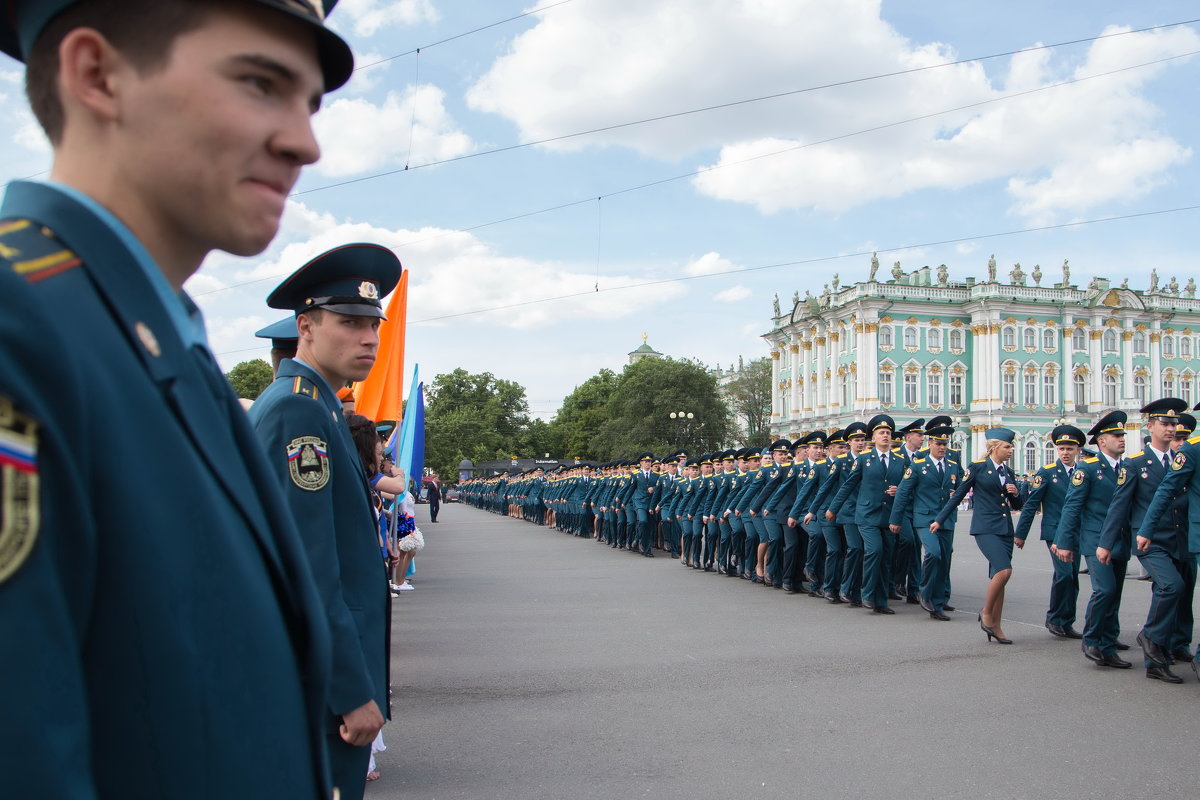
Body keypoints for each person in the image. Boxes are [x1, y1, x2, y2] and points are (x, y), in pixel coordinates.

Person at [0, 1, 354, 797]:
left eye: (310, 103)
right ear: (97, 75)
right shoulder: (23, 328)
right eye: (261, 82)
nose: (305, 141)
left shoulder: (146, 333)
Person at [250, 243, 402, 800]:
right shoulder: (300, 410)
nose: (368, 337)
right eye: (350, 322)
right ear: (306, 325)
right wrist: (349, 688)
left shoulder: (312, 403)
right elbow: (310, 568)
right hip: (317, 685)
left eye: (373, 324)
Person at [1121, 400, 1196, 682]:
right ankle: (1151, 640)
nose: (1170, 429)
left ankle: (1161, 648)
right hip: (1149, 540)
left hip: (1179, 538)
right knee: (1170, 586)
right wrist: (1105, 544)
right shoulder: (1136, 464)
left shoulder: (1182, 460)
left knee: (1177, 591)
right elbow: (1120, 506)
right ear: (1149, 426)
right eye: (1164, 424)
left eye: (1173, 424)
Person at [933, 429, 1024, 643]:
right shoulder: (978, 468)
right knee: (1004, 570)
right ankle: (986, 613)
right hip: (985, 528)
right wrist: (940, 519)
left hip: (1005, 529)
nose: (1010, 450)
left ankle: (996, 626)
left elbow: (1018, 505)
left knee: (999, 578)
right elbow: (959, 496)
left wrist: (1015, 493)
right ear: (994, 448)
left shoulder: (1008, 473)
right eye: (1007, 447)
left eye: (1011, 447)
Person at [1056, 411, 1130, 667]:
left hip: (1121, 539)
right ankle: (1092, 638)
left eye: (1122, 435)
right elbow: (1072, 507)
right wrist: (1064, 542)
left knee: (1115, 594)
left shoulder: (1126, 467)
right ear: (1101, 441)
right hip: (1095, 540)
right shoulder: (1087, 468)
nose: (1122, 439)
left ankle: (1108, 646)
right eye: (1116, 435)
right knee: (1105, 590)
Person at [1014, 424, 1087, 639]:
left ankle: (1066, 621)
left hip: (1076, 531)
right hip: (1054, 531)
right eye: (1062, 449)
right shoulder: (1047, 473)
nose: (1065, 453)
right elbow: (1031, 504)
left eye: (1069, 449)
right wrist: (1021, 533)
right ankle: (1054, 618)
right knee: (1064, 574)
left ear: (1077, 451)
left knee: (1072, 576)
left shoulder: (1082, 472)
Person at [829, 415, 906, 614]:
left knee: (886, 557)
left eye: (888, 433)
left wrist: (899, 490)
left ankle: (881, 601)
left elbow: (908, 487)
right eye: (881, 433)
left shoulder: (899, 460)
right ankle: (867, 593)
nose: (886, 436)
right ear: (873, 437)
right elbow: (848, 485)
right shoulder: (864, 459)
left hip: (888, 516)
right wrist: (833, 508)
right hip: (866, 515)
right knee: (874, 550)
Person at [890, 425, 962, 620]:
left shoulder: (953, 466)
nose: (942, 447)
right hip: (924, 518)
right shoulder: (918, 466)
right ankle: (925, 591)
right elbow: (903, 493)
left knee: (945, 557)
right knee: (934, 553)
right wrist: (896, 520)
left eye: (945, 444)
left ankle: (937, 603)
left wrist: (957, 494)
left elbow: (960, 487)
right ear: (930, 444)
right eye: (938, 443)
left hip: (946, 518)